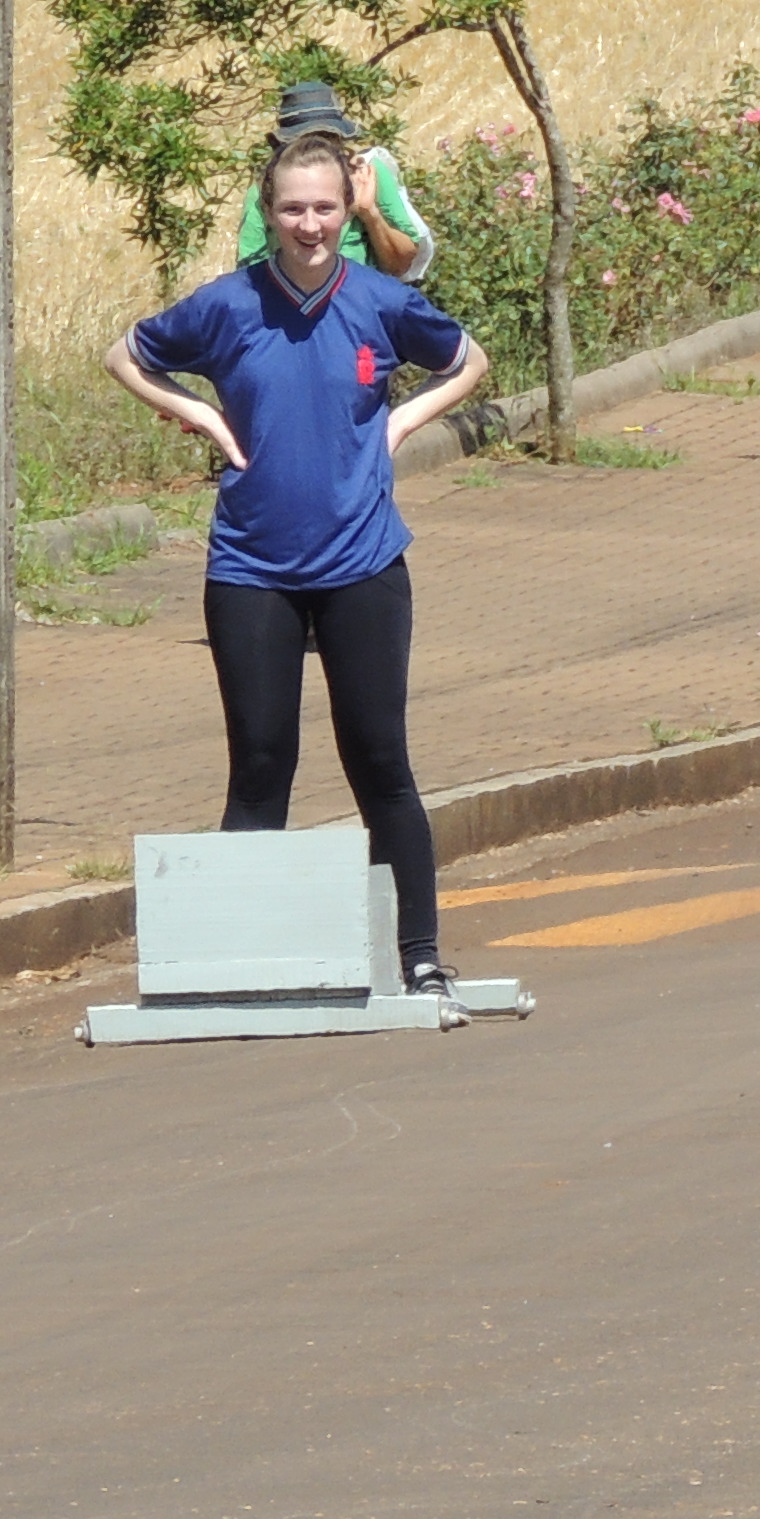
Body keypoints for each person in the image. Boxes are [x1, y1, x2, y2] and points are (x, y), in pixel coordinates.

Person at [107, 131, 494, 1007]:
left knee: (380, 762)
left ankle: (420, 955)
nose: (310, 225)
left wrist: (401, 425)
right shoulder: (228, 305)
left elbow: (469, 360)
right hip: (251, 570)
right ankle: (241, 964)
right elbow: (125, 355)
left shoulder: (382, 302)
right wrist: (201, 417)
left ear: (346, 209)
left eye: (325, 207)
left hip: (362, 563)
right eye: (292, 209)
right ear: (267, 213)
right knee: (260, 762)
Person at [227, 78, 437, 280]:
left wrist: (369, 214)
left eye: (326, 139)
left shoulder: (367, 176)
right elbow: (249, 268)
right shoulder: (265, 189)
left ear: (339, 139)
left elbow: (402, 262)